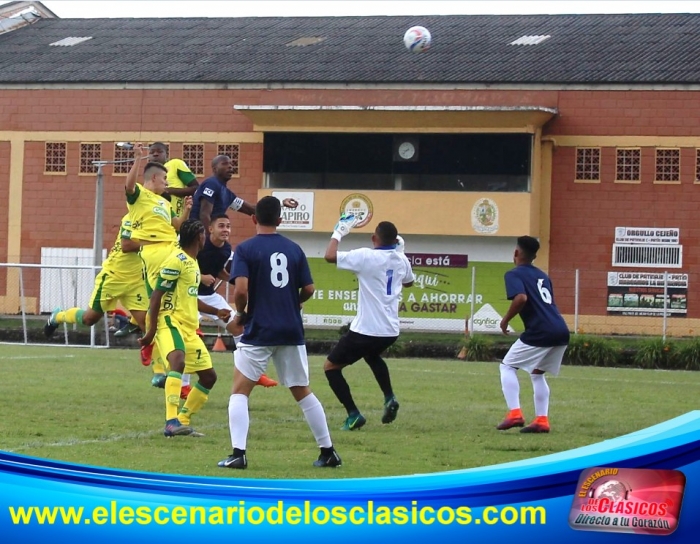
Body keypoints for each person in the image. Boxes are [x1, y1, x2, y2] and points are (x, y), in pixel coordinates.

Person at [218, 196, 341, 469]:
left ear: (253, 219)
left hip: (260, 328)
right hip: (290, 329)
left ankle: (238, 453)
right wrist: (294, 303)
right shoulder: (294, 249)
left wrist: (241, 314)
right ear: (280, 220)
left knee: (239, 391)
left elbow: (240, 290)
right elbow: (309, 289)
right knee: (303, 391)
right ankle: (328, 450)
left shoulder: (246, 249)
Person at [322, 217, 414, 431]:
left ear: (374, 238)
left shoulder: (366, 256)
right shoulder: (402, 260)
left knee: (331, 368)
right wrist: (400, 253)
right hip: (390, 331)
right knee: (372, 355)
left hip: (366, 329)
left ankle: (353, 414)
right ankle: (389, 397)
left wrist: (338, 233)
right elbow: (409, 282)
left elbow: (329, 256)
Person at [139, 219, 226, 437]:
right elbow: (156, 296)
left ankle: (183, 419)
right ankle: (170, 422)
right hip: (169, 321)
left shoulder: (192, 263)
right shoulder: (176, 261)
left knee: (209, 377)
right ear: (199, 237)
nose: (205, 238)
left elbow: (191, 297)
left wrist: (216, 312)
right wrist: (150, 331)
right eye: (204, 235)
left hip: (189, 327)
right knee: (177, 361)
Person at [187, 211, 278, 393]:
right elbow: (183, 266)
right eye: (221, 226)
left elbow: (218, 270)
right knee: (189, 335)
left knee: (238, 327)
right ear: (210, 228)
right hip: (188, 295)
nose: (226, 229)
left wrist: (233, 279)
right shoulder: (199, 245)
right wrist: (200, 276)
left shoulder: (226, 249)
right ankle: (183, 385)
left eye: (228, 226)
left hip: (209, 295)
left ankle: (253, 374)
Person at [125, 144, 191, 379]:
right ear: (153, 178)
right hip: (154, 253)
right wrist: (136, 160)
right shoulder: (140, 196)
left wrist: (186, 214)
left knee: (180, 296)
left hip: (172, 249)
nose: (167, 183)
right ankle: (146, 332)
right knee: (161, 302)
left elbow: (176, 226)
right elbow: (129, 186)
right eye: (164, 178)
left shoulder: (164, 202)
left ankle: (152, 331)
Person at [496, 235, 570, 434]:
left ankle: (515, 413)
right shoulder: (543, 275)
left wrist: (505, 320)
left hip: (541, 330)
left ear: (516, 253)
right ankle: (542, 420)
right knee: (537, 373)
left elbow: (521, 298)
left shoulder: (514, 274)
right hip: (560, 330)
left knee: (507, 366)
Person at [44, 213, 149, 342]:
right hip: (113, 277)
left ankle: (160, 360)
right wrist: (155, 243)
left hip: (136, 281)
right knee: (89, 319)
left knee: (146, 325)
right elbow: (126, 245)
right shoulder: (132, 217)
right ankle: (58, 316)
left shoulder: (158, 219)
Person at [189, 154, 298, 231]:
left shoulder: (227, 194)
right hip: (196, 236)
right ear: (214, 169)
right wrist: (209, 239)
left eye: (231, 164)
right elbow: (204, 214)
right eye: (224, 164)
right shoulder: (211, 183)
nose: (230, 166)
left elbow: (252, 209)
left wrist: (280, 204)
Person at [148, 142, 199, 217]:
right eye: (151, 152)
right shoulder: (149, 174)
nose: (155, 154)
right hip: (157, 219)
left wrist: (170, 190)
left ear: (167, 154)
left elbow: (196, 188)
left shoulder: (175, 164)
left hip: (177, 217)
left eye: (159, 151)